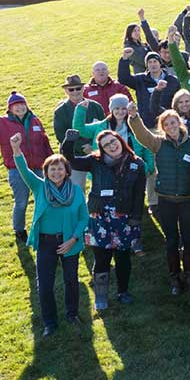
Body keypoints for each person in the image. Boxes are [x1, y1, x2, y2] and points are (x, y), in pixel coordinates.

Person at [10, 133, 87, 337]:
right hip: (46, 243)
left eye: (59, 168)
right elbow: (24, 171)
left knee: (72, 281)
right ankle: (49, 323)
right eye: (51, 169)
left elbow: (84, 219)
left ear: (66, 171)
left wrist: (73, 240)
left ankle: (72, 314)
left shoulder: (77, 192)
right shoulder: (40, 187)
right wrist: (16, 150)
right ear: (46, 172)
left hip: (70, 242)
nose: (56, 172)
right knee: (44, 285)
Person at [62, 128, 145, 311]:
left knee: (123, 257)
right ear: (102, 148)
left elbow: (139, 195)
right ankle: (101, 295)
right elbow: (71, 160)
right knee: (102, 258)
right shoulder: (95, 161)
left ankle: (123, 292)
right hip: (99, 218)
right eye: (106, 144)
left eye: (113, 141)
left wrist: (136, 218)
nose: (111, 146)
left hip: (124, 219)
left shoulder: (136, 164)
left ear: (120, 141)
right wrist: (69, 142)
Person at [127, 109, 190, 295]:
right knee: (171, 241)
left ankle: (189, 275)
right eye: (166, 124)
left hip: (188, 200)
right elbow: (142, 135)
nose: (171, 127)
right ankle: (174, 277)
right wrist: (134, 117)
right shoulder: (158, 143)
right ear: (162, 128)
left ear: (180, 123)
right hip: (166, 200)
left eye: (173, 122)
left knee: (189, 240)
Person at [0, 91, 53, 243]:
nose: (20, 108)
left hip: (38, 168)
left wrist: (52, 161)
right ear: (10, 109)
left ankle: (45, 228)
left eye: (22, 104)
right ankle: (19, 230)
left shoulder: (35, 120)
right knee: (21, 202)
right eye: (16, 105)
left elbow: (44, 142)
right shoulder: (1, 123)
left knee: (45, 199)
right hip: (17, 170)